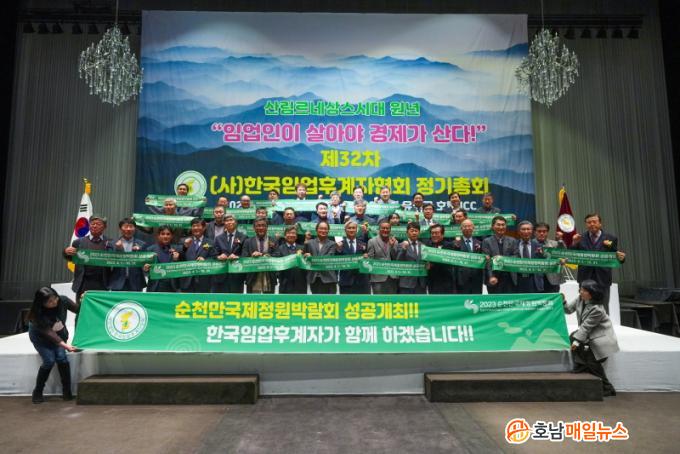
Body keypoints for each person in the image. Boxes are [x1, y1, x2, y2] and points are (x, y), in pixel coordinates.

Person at [563, 280, 619, 397]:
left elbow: (586, 327)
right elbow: (568, 310)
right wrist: (563, 301)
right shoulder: (580, 299)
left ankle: (608, 387)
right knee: (573, 337)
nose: (580, 291)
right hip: (589, 336)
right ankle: (581, 366)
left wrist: (577, 342)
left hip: (601, 339)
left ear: (591, 293)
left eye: (584, 290)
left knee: (592, 363)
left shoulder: (597, 309)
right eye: (581, 289)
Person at [27, 287, 79, 403]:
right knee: (49, 360)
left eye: (55, 298)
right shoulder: (36, 316)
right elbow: (49, 333)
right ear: (41, 303)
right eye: (50, 301)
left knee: (62, 358)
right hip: (41, 338)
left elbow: (79, 310)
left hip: (59, 335)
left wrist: (84, 299)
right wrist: (66, 346)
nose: (54, 302)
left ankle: (67, 391)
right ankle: (38, 391)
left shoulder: (63, 300)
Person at [570, 213, 626, 314]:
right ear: (586, 225)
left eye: (594, 222)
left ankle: (603, 325)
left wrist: (621, 259)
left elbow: (615, 256)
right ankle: (584, 324)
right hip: (585, 278)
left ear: (600, 223)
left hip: (603, 278)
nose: (592, 224)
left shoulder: (611, 238)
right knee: (584, 308)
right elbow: (571, 256)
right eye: (589, 222)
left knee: (603, 308)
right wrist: (574, 243)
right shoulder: (580, 238)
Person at [63, 214, 111, 304]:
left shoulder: (110, 242)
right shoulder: (78, 242)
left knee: (101, 309)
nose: (95, 226)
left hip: (103, 283)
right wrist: (66, 252)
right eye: (92, 224)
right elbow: (71, 258)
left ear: (105, 227)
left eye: (98, 224)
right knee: (82, 308)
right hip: (83, 283)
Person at [108, 217, 147, 292]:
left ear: (135, 229)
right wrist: (118, 250)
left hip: (136, 283)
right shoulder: (112, 244)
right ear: (120, 229)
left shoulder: (142, 244)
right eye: (126, 226)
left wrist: (139, 253)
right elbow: (109, 260)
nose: (128, 229)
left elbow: (146, 264)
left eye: (131, 226)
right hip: (117, 282)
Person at [482, 215, 517, 293]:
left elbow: (516, 256)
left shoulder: (512, 240)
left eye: (503, 225)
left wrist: (502, 259)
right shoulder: (486, 241)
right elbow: (487, 261)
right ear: (492, 227)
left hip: (510, 277)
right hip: (494, 278)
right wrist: (491, 276)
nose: (501, 227)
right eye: (498, 225)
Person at [178, 218, 215, 293]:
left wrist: (206, 261)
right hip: (186, 281)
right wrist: (185, 247)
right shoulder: (183, 241)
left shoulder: (211, 242)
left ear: (204, 228)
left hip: (204, 281)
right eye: (193, 226)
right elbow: (179, 258)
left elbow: (214, 259)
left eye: (198, 226)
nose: (195, 228)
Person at [241, 217, 277, 294]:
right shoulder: (248, 241)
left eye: (263, 225)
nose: (261, 228)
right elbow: (243, 257)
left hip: (269, 276)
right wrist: (252, 256)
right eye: (258, 225)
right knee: (252, 300)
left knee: (268, 300)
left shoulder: (274, 240)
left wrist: (266, 255)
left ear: (267, 227)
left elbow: (277, 255)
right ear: (254, 228)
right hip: (252, 276)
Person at [213, 214, 247, 293]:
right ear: (224, 223)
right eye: (226, 221)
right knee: (222, 299)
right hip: (222, 274)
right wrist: (218, 256)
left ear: (236, 222)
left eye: (231, 220)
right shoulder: (218, 238)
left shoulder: (243, 237)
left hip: (237, 274)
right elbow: (214, 254)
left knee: (236, 298)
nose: (229, 222)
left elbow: (245, 254)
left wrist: (237, 257)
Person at [303, 221, 338, 294]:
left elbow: (327, 259)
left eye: (325, 229)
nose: (323, 230)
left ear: (328, 231)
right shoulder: (309, 242)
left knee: (330, 301)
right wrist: (306, 241)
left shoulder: (332, 244)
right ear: (316, 230)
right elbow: (304, 257)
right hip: (314, 278)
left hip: (329, 279)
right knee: (316, 300)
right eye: (321, 228)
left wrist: (312, 258)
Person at [144, 226, 180, 292]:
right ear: (158, 236)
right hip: (155, 286)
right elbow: (145, 270)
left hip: (172, 287)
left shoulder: (178, 250)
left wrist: (176, 260)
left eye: (168, 234)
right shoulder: (150, 249)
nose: (165, 236)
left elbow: (182, 268)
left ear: (172, 236)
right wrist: (146, 269)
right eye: (162, 234)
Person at [366, 220, 398, 294]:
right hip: (378, 278)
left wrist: (392, 246)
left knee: (392, 300)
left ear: (390, 230)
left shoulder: (395, 241)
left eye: (387, 228)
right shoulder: (372, 241)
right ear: (379, 229)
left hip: (392, 277)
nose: (385, 230)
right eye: (383, 228)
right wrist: (366, 258)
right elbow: (370, 260)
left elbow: (395, 258)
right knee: (379, 300)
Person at [337, 221, 370, 294]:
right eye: (349, 228)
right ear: (345, 230)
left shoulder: (363, 244)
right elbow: (335, 261)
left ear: (357, 230)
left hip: (362, 282)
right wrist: (338, 250)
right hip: (346, 282)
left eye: (353, 228)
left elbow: (369, 261)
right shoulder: (339, 245)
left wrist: (367, 258)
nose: (351, 230)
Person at [453, 219, 484, 294]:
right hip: (461, 279)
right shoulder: (455, 243)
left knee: (476, 299)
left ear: (473, 228)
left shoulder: (480, 243)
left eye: (469, 226)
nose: (467, 228)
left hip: (477, 279)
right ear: (461, 228)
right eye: (465, 226)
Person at [272, 226, 307, 294]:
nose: (291, 235)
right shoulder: (279, 248)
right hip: (285, 283)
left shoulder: (303, 248)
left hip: (301, 284)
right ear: (285, 236)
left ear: (296, 236)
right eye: (288, 233)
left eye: (293, 233)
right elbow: (276, 265)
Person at [513, 221, 545, 293]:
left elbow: (546, 261)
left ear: (532, 231)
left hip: (534, 280)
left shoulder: (539, 246)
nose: (526, 231)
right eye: (523, 229)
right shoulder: (513, 244)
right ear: (518, 231)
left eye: (528, 229)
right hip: (518, 280)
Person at [396, 222, 428, 294]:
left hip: (421, 283)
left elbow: (425, 261)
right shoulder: (400, 245)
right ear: (407, 232)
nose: (414, 233)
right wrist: (403, 249)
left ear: (419, 232)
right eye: (412, 231)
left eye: (416, 231)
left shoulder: (423, 246)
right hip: (406, 283)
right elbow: (398, 262)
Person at [424, 223, 455, 294]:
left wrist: (432, 264)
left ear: (442, 234)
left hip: (446, 281)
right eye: (432, 233)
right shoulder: (427, 245)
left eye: (437, 233)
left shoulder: (449, 245)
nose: (434, 235)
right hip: (432, 281)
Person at [535, 222, 565, 293]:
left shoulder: (555, 243)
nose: (542, 233)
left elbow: (564, 253)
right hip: (536, 279)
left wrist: (560, 240)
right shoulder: (530, 244)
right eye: (539, 231)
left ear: (547, 232)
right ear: (535, 232)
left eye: (544, 231)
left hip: (552, 279)